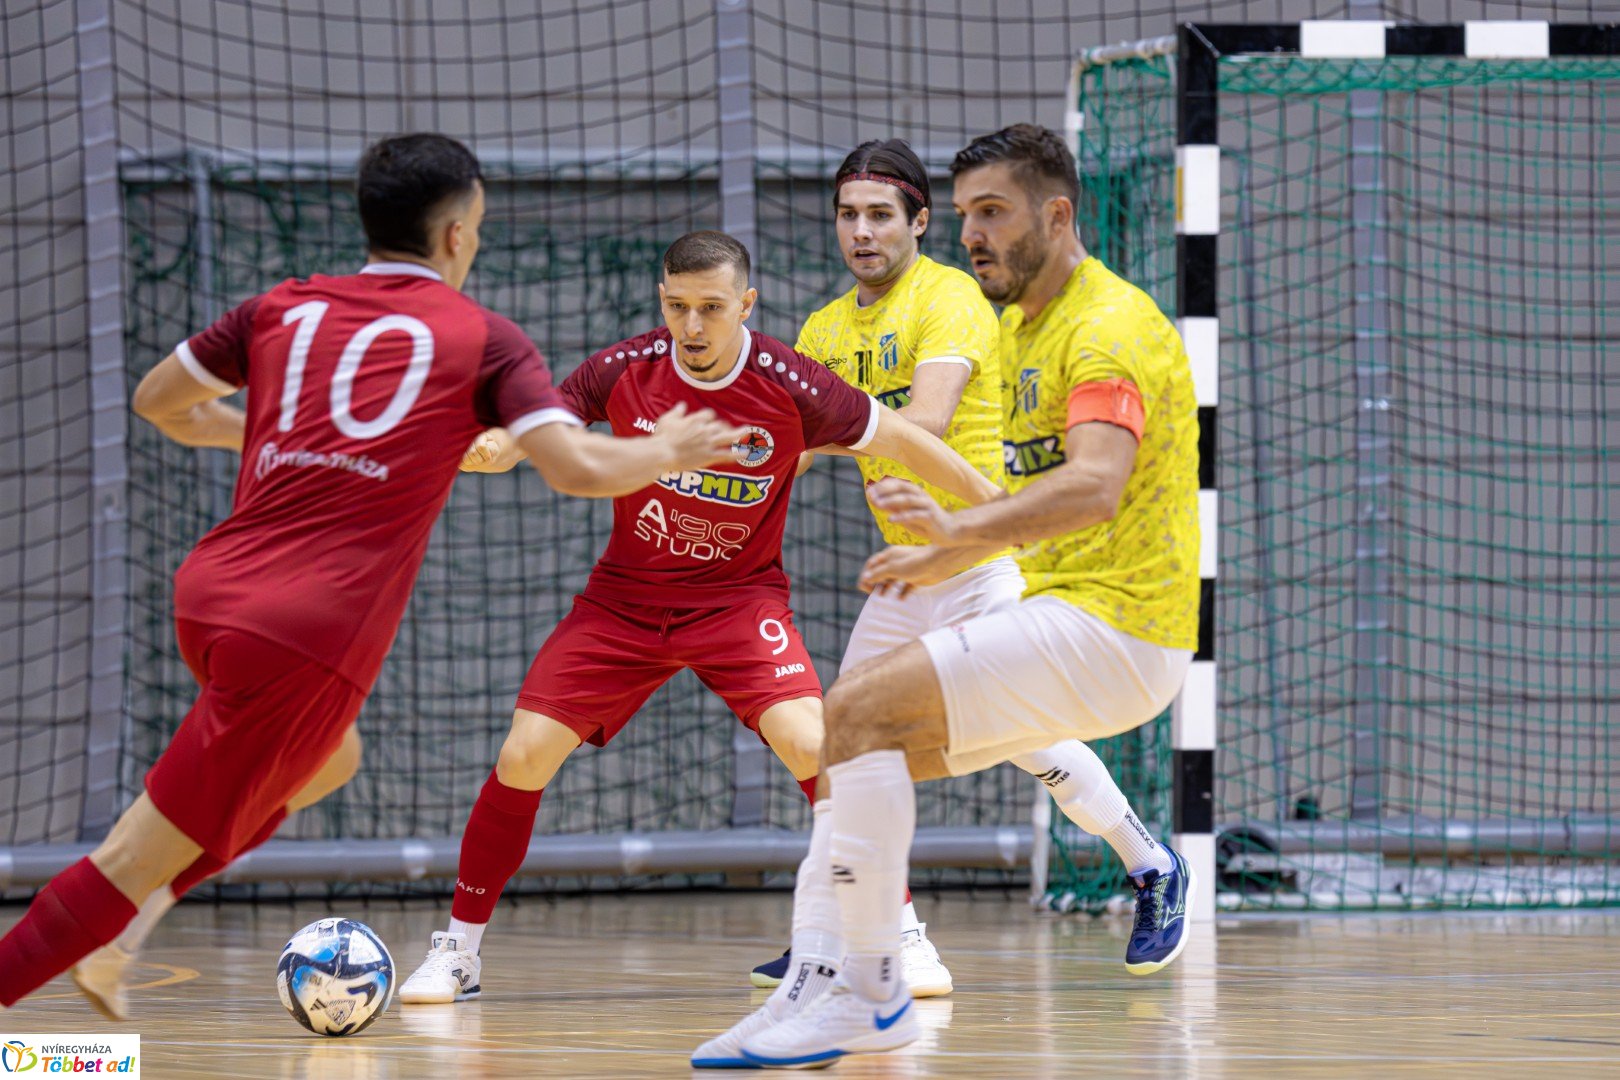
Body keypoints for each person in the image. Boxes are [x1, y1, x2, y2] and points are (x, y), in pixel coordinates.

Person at [0, 134, 742, 1020]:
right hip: (300, 633)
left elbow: (160, 401)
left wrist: (282, 432)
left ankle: (125, 936)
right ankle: (103, 940)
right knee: (127, 856)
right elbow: (577, 467)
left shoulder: (285, 305)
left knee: (326, 760)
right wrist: (668, 447)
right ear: (460, 233)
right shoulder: (480, 338)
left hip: (211, 592)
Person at [698, 122, 1200, 1068]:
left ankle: (1135, 863)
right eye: (847, 215)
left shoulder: (991, 309)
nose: (863, 233)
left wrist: (956, 530)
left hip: (1028, 573)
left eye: (883, 215)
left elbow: (923, 427)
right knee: (842, 747)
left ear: (915, 224)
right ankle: (834, 963)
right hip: (938, 561)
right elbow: (794, 441)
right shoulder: (848, 329)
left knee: (959, 739)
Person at [395, 230, 1003, 1007]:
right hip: (624, 603)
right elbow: (534, 432)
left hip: (738, 602)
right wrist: (489, 447)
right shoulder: (624, 369)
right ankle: (459, 952)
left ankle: (900, 931)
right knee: (524, 753)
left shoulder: (794, 384)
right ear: (662, 301)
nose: (692, 326)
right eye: (678, 306)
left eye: (711, 308)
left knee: (816, 742)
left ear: (744, 304)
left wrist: (1000, 513)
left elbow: (912, 443)